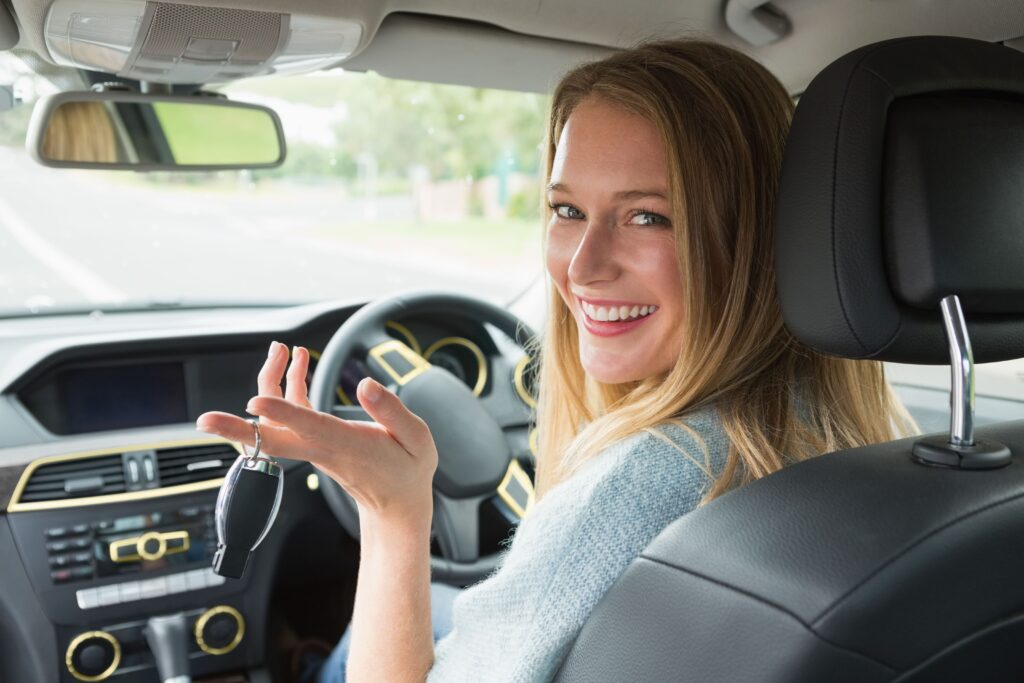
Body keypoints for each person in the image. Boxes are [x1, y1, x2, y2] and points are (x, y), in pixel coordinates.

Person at [197, 39, 916, 682]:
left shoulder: (644, 481)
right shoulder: (888, 442)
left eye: (648, 216)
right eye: (567, 209)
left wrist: (393, 507)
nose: (581, 267)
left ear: (756, 236)